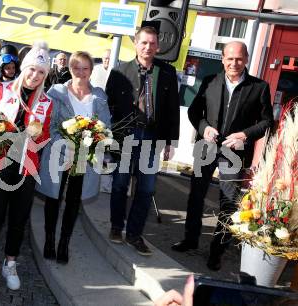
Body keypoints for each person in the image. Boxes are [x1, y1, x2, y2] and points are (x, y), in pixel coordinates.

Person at [171, 41, 274, 271]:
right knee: (196, 196)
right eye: (229, 58)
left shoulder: (259, 87)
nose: (233, 63)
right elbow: (195, 111)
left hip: (234, 153)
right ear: (222, 59)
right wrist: (204, 127)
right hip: (206, 147)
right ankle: (190, 240)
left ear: (246, 59)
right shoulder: (210, 81)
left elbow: (268, 122)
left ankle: (217, 251)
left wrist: (245, 135)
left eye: (238, 58)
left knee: (228, 203)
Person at [0, 41, 53, 294]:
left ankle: (10, 262)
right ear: (24, 68)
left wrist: (35, 137)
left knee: (19, 219)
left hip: (27, 166)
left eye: (41, 72)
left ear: (45, 75)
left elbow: (46, 135)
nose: (35, 76)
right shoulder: (1, 91)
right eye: (32, 70)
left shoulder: (46, 102)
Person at [106, 26, 179, 256]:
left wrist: (170, 142)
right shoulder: (120, 71)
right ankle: (117, 227)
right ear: (136, 44)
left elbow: (172, 110)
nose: (148, 47)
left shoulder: (167, 73)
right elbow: (109, 106)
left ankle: (135, 234)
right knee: (120, 183)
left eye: (152, 43)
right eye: (144, 43)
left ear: (158, 46)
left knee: (146, 189)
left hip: (151, 138)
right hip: (126, 137)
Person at [36, 51, 111, 264]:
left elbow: (105, 127)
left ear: (91, 70)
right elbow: (48, 124)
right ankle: (50, 239)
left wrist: (91, 142)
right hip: (58, 152)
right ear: (70, 69)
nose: (80, 72)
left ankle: (64, 243)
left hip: (84, 157)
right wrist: (65, 144)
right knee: (53, 197)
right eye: (76, 67)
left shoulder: (99, 96)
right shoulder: (56, 92)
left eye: (85, 68)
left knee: (73, 200)